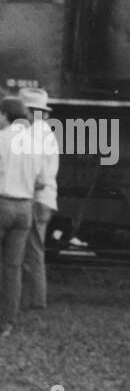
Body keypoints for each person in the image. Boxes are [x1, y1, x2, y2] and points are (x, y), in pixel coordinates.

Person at [0, 96, 46, 337]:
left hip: (2, 203)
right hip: (25, 208)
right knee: (12, 268)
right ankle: (6, 323)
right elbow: (41, 181)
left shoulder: (2, 138)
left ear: (6, 115)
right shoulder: (34, 143)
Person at [18, 87, 60, 312]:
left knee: (31, 252)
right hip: (44, 199)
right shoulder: (44, 131)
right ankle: (32, 300)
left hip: (36, 199)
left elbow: (38, 175)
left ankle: (34, 302)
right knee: (33, 251)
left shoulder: (34, 133)